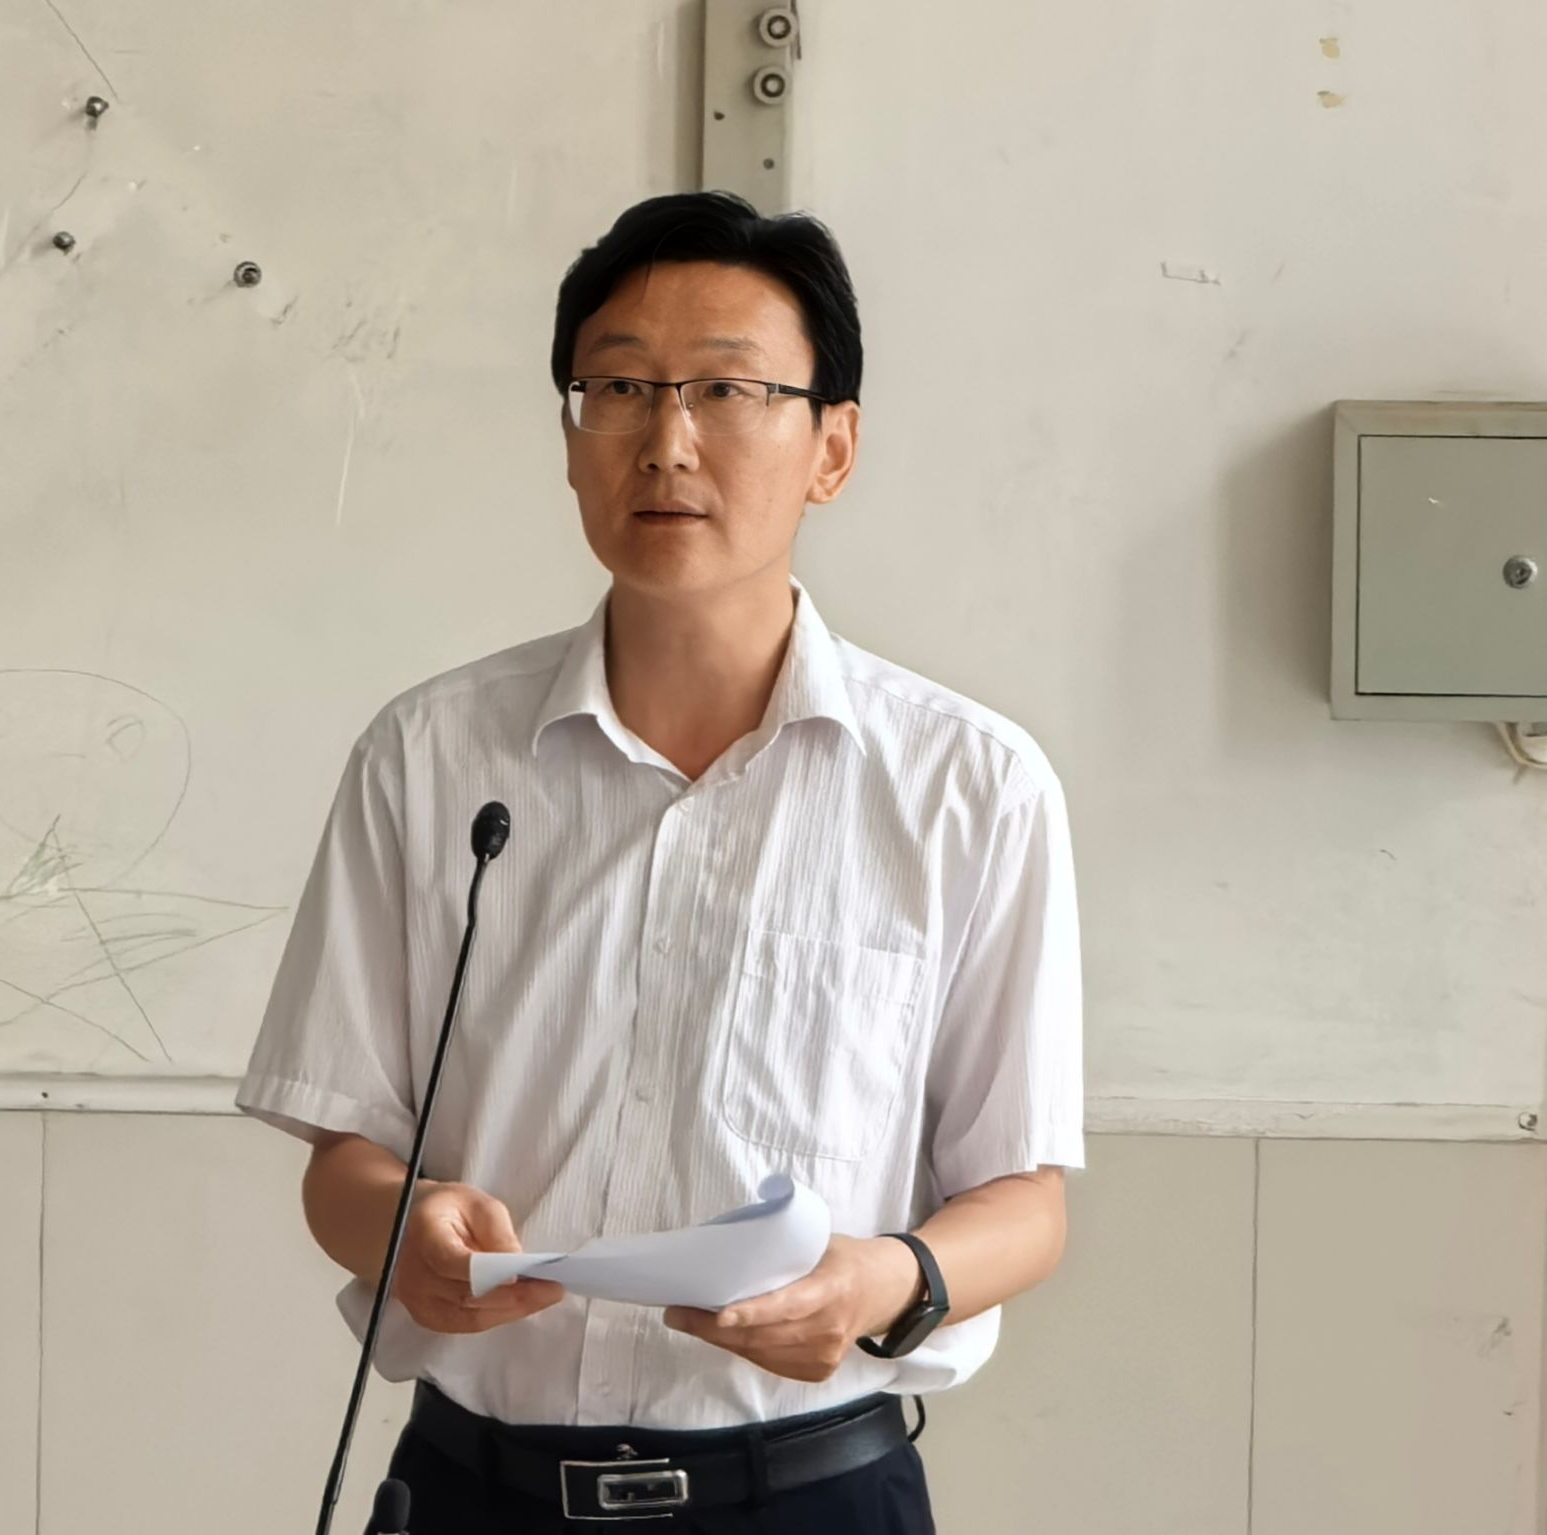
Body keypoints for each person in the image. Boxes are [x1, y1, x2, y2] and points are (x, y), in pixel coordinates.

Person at [237, 191, 1083, 1532]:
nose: (667, 441)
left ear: (832, 447)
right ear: (573, 439)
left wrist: (883, 1282)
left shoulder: (968, 787)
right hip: (479, 1490)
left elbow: (1024, 1200)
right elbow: (344, 1154)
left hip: (810, 1495)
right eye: (620, 388)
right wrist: (406, 1232)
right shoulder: (433, 756)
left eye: (730, 390)